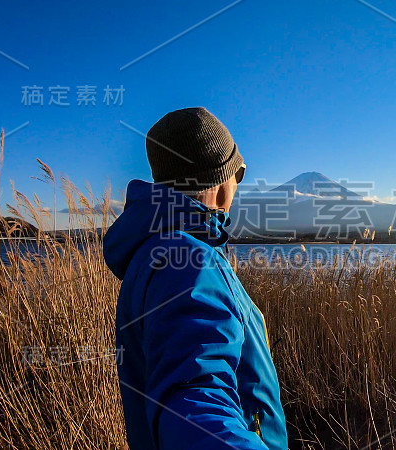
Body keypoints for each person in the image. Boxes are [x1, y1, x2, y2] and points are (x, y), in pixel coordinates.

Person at [103, 107, 288, 449]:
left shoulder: (157, 254)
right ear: (220, 181)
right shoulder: (188, 262)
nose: (238, 185)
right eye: (239, 173)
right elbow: (194, 410)